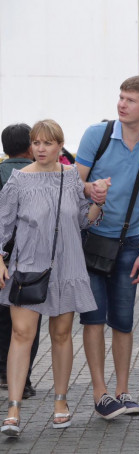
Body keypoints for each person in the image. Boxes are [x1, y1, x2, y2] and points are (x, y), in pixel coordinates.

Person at [76, 76, 139, 420]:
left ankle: (123, 390)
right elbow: (75, 182)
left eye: (130, 100)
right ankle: (101, 393)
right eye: (120, 98)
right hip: (90, 240)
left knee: (124, 321)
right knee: (94, 318)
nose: (121, 104)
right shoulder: (96, 135)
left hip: (130, 243)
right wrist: (91, 190)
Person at [0, 120, 105, 437]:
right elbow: (2, 225)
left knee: (61, 336)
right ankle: (13, 409)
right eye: (36, 142)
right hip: (28, 266)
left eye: (48, 143)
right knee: (21, 334)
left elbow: (84, 220)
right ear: (30, 146)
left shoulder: (71, 177)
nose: (41, 148)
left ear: (60, 146)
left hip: (67, 267)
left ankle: (61, 402)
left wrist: (98, 202)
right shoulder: (18, 180)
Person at [0, 124, 39, 399]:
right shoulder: (39, 173)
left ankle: (3, 372)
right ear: (30, 146)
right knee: (27, 321)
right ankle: (21, 379)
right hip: (28, 257)